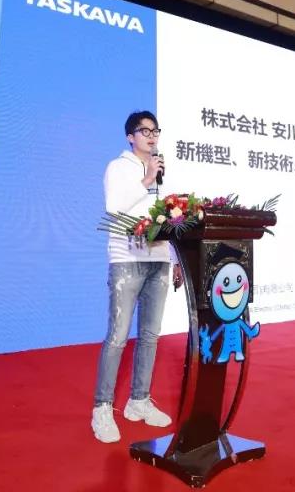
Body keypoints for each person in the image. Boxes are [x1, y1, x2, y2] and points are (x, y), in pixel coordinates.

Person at [91, 111, 184, 443]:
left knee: (149, 336)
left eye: (155, 130)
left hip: (158, 259)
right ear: (130, 137)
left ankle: (139, 401)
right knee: (118, 337)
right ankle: (102, 408)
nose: (152, 136)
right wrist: (145, 180)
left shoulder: (159, 172)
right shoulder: (118, 168)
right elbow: (114, 207)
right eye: (145, 131)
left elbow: (167, 219)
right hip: (127, 260)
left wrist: (174, 259)